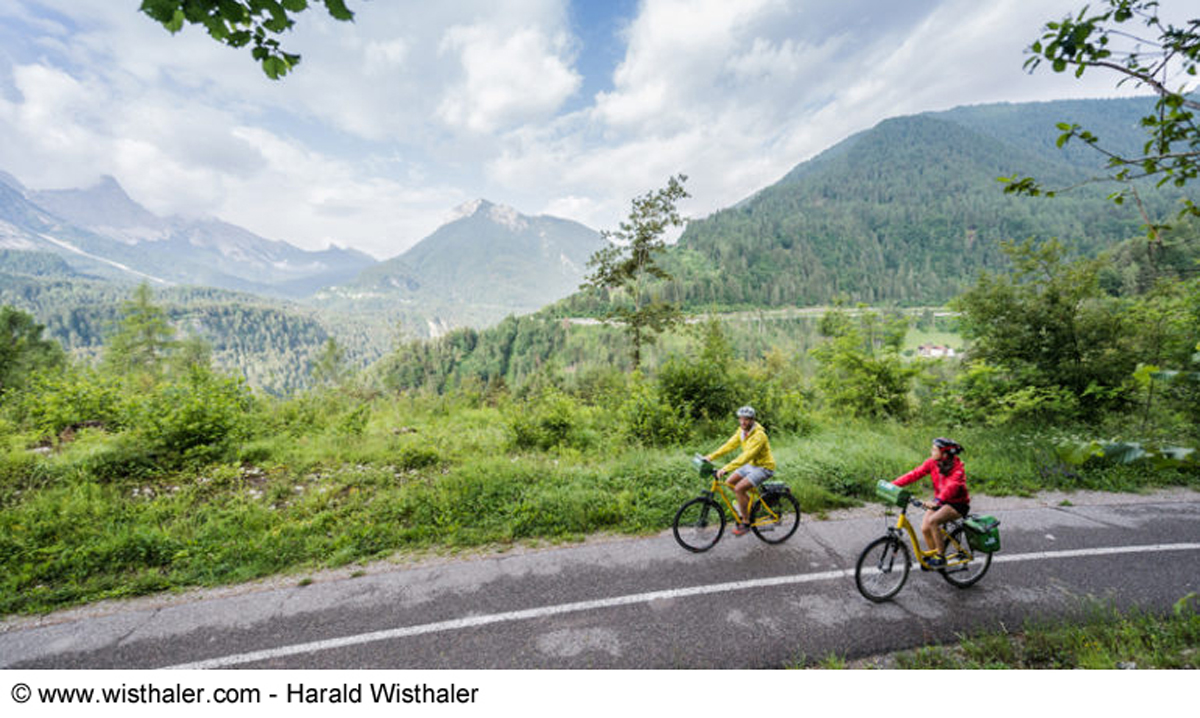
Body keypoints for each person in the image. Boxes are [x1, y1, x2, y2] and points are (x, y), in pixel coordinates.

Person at [892, 437, 969, 567]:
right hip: (940, 501)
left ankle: (940, 557)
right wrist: (894, 485)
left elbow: (952, 486)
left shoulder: (957, 468)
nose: (931, 451)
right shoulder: (932, 463)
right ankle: (935, 555)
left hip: (957, 504)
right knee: (925, 528)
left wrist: (938, 500)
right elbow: (915, 474)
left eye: (934, 449)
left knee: (933, 521)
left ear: (944, 453)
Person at [705, 406, 776, 536]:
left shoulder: (759, 436)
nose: (743, 422)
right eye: (741, 419)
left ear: (753, 420)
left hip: (764, 467)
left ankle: (746, 522)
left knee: (739, 489)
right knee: (730, 482)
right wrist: (711, 456)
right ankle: (753, 506)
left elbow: (746, 456)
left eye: (747, 419)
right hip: (751, 465)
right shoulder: (741, 431)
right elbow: (729, 445)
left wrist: (726, 468)